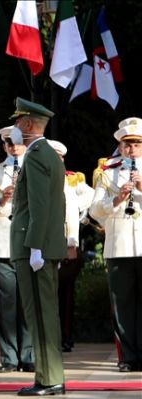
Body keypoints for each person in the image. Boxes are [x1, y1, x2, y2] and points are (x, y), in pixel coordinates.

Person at [7, 98, 67, 396]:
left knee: (41, 316)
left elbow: (41, 208)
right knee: (43, 315)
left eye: (18, 122)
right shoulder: (46, 155)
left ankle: (49, 378)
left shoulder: (36, 156)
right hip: (39, 246)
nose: (15, 127)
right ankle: (48, 375)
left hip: (34, 247)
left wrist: (34, 248)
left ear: (28, 124)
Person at [0, 126, 34, 373]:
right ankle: (9, 358)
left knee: (28, 303)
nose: (14, 147)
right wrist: (1, 199)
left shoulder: (35, 168)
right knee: (6, 304)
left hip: (29, 244)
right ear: (4, 145)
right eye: (9, 143)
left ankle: (29, 355)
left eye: (18, 142)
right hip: (1, 244)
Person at [89, 119, 142, 372]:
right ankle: (128, 358)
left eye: (137, 144)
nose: (132, 149)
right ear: (120, 146)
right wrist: (117, 198)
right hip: (119, 246)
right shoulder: (107, 171)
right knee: (122, 304)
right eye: (127, 144)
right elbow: (95, 210)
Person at [49, 140, 94, 353]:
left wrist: (79, 213)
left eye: (57, 158)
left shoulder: (72, 181)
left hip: (67, 244)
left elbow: (91, 197)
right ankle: (50, 337)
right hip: (43, 245)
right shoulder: (37, 179)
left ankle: (65, 337)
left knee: (64, 294)